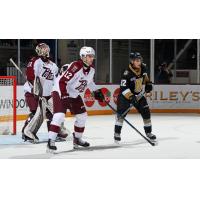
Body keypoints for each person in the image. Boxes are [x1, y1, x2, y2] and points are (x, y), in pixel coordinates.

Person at [47, 46, 104, 152]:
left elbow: (90, 82)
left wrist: (97, 92)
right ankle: (51, 141)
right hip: (60, 90)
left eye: (92, 56)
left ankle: (77, 139)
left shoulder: (91, 70)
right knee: (59, 116)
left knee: (82, 116)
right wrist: (64, 95)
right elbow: (62, 81)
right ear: (83, 57)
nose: (92, 58)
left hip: (73, 94)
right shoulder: (76, 66)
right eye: (89, 56)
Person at [22, 43, 68, 143]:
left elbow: (55, 81)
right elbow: (30, 77)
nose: (44, 51)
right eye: (42, 49)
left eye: (45, 49)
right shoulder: (35, 61)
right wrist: (36, 90)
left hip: (47, 94)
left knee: (55, 113)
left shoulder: (53, 66)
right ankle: (27, 133)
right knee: (36, 113)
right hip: (32, 92)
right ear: (38, 51)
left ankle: (55, 133)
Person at [114, 52, 156, 143]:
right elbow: (123, 88)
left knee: (146, 112)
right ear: (132, 61)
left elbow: (145, 78)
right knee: (121, 115)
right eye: (137, 60)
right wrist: (131, 97)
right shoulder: (126, 72)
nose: (139, 62)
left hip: (138, 95)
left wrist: (148, 84)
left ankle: (148, 133)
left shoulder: (143, 67)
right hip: (125, 95)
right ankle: (117, 133)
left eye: (140, 60)